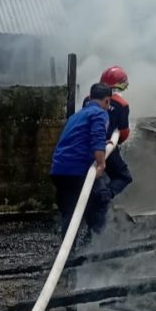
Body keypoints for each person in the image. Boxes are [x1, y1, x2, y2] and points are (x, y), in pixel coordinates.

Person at [51, 83, 114, 240]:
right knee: (101, 197)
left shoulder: (76, 115)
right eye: (109, 102)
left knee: (70, 213)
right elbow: (97, 137)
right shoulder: (100, 114)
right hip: (77, 171)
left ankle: (68, 253)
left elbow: (78, 139)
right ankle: (95, 243)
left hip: (58, 170)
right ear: (107, 101)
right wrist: (101, 164)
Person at [83, 66, 133, 198]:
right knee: (124, 177)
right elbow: (123, 133)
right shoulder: (122, 105)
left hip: (86, 147)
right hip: (106, 147)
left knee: (91, 178)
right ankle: (103, 198)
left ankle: (93, 197)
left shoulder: (87, 100)